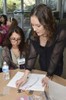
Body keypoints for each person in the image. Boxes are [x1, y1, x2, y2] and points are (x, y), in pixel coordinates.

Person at [16, 4, 66, 87]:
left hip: (56, 65)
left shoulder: (60, 33)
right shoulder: (33, 34)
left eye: (38, 25)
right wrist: (25, 76)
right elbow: (32, 56)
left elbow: (55, 57)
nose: (34, 29)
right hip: (42, 64)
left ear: (48, 23)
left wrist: (49, 75)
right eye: (32, 25)